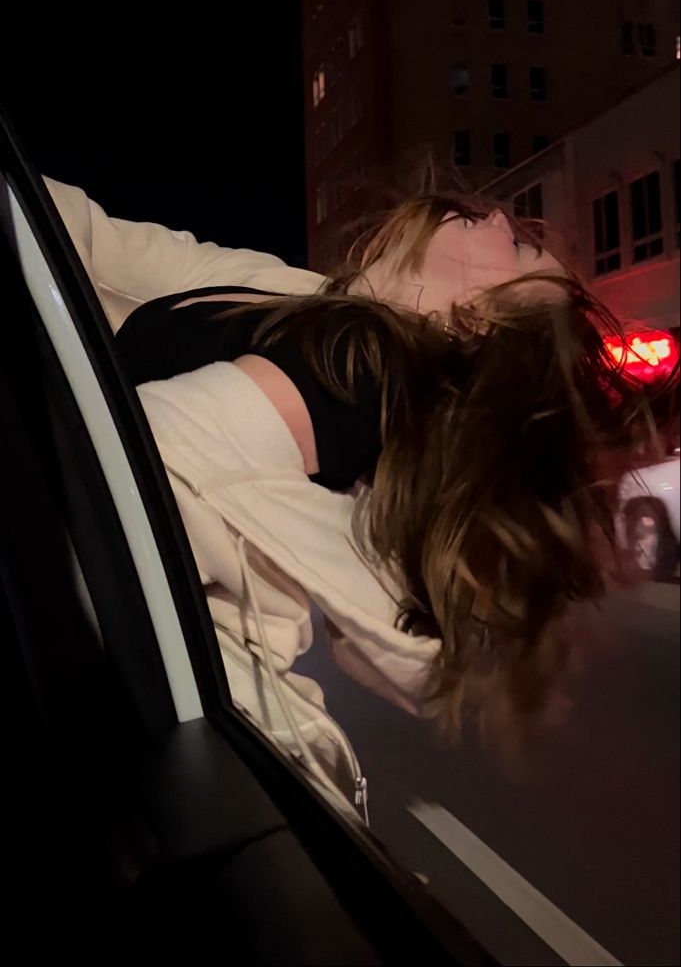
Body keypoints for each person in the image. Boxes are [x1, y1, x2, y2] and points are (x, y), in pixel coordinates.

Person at [47, 178, 677, 809]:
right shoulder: (304, 294)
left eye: (515, 249)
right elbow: (96, 242)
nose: (491, 217)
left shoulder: (360, 366)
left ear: (478, 323)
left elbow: (133, 464)